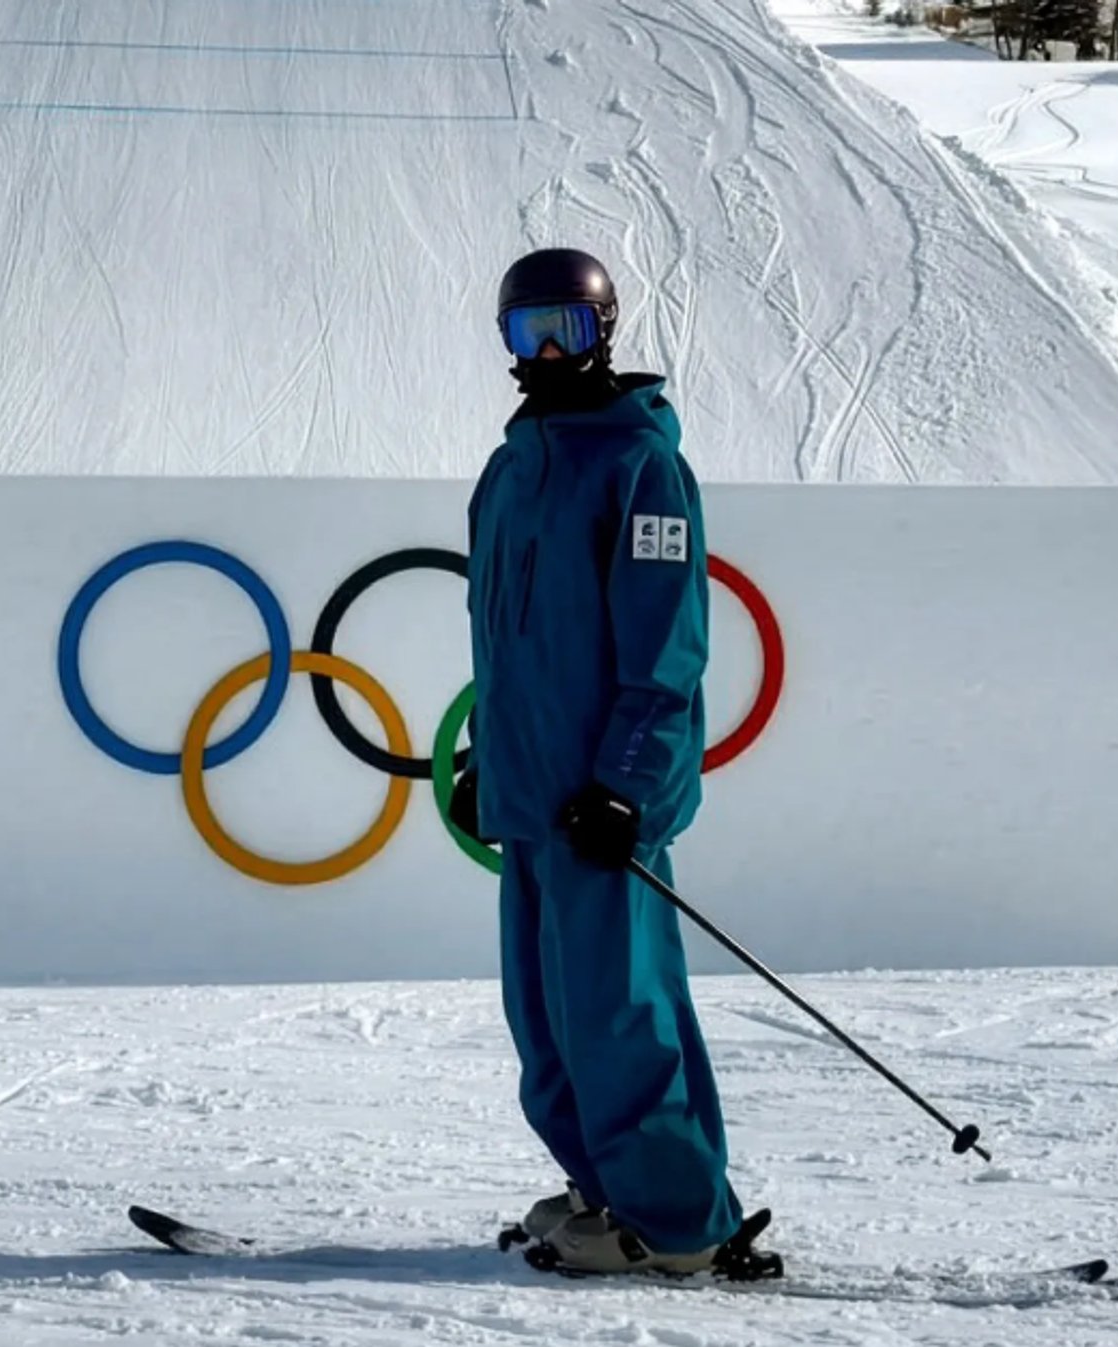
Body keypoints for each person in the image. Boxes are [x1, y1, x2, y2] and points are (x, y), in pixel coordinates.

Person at [449, 248, 746, 1277]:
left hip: (598, 803)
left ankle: (676, 1224)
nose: (541, 353)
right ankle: (597, 1187)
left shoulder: (638, 466)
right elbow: (503, 642)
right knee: (542, 1016)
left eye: (561, 331)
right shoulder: (508, 468)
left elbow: (665, 650)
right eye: (523, 333)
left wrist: (624, 783)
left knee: (621, 1013)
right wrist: (487, 756)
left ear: (602, 331)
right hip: (531, 797)